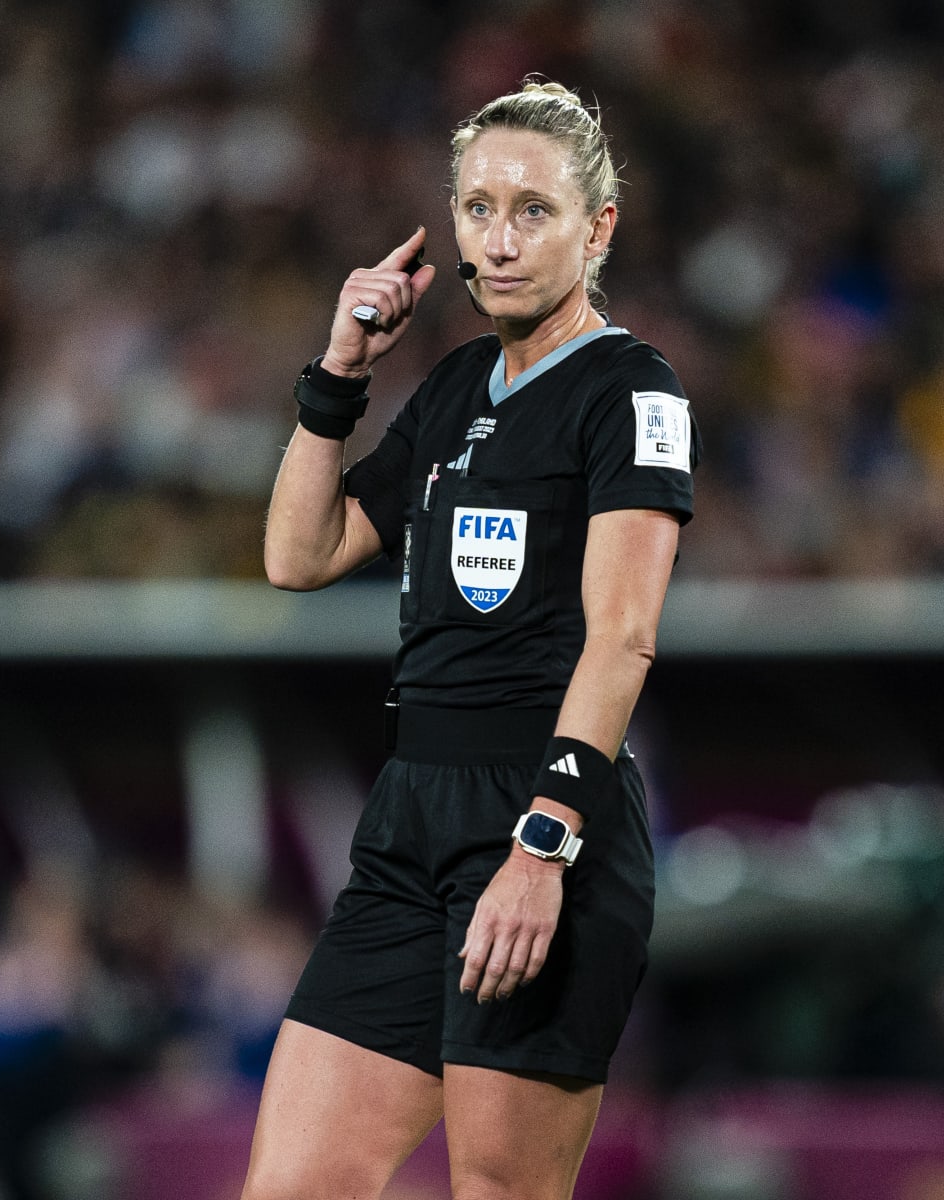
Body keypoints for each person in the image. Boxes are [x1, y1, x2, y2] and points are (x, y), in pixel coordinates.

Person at [249, 80, 696, 1200]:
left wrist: (542, 850)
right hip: (409, 823)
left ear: (597, 229)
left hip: (539, 819)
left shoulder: (631, 390)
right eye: (478, 208)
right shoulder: (454, 387)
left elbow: (625, 638)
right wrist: (339, 375)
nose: (499, 240)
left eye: (533, 211)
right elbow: (299, 557)